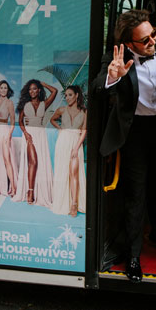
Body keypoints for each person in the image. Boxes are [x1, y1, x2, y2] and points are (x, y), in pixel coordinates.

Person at [91, 9, 156, 283]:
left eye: (153, 34)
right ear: (130, 44)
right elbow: (96, 89)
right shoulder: (117, 57)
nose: (153, 41)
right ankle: (133, 256)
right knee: (136, 193)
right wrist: (113, 77)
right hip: (134, 132)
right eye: (146, 40)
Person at [14, 79, 57, 207]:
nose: (32, 91)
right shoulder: (25, 103)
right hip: (29, 134)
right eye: (30, 89)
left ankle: (38, 191)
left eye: (34, 89)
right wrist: (25, 133)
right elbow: (20, 121)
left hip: (41, 135)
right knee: (33, 161)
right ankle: (30, 191)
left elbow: (54, 91)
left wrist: (42, 83)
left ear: (38, 91)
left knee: (40, 162)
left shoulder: (44, 103)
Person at [50, 85, 87, 217]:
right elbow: (52, 119)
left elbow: (84, 131)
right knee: (62, 172)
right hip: (63, 142)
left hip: (76, 143)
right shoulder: (61, 109)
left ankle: (74, 205)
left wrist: (76, 148)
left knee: (74, 174)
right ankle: (63, 201)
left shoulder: (84, 111)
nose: (67, 98)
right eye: (65, 95)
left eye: (70, 95)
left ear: (77, 95)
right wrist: (60, 129)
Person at [0, 79, 17, 197]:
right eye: (1, 87)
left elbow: (13, 122)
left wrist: (9, 135)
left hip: (4, 131)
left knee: (6, 160)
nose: (3, 90)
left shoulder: (10, 103)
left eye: (5, 88)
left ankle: (13, 188)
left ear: (8, 90)